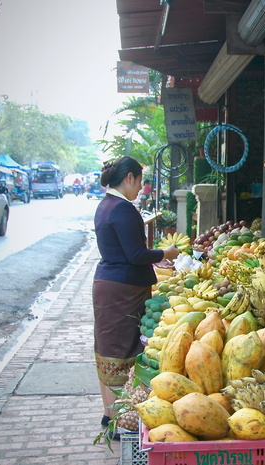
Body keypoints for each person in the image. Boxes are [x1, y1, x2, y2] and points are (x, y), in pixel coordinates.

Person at [92, 157, 179, 436]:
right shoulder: (123, 209)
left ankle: (110, 417)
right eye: (140, 181)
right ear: (129, 178)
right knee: (121, 352)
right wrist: (166, 253)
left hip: (110, 285)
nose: (141, 187)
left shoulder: (105, 205)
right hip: (122, 290)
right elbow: (136, 255)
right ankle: (118, 421)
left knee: (109, 349)